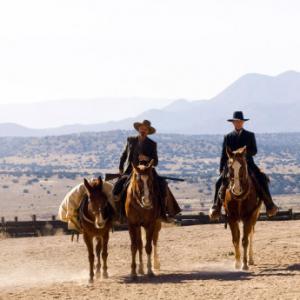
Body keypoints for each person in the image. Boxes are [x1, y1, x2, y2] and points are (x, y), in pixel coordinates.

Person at [209, 111, 278, 220]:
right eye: (236, 122)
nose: (238, 123)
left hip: (248, 164)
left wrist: (242, 153)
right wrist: (222, 168)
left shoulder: (250, 135)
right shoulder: (228, 137)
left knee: (262, 178)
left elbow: (254, 151)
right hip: (231, 165)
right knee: (219, 182)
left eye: (240, 122)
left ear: (243, 122)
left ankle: (270, 205)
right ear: (233, 123)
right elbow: (224, 153)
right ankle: (216, 207)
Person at [113, 120, 181, 219]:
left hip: (147, 171)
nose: (143, 130)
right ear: (138, 129)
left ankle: (164, 213)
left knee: (162, 185)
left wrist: (147, 158)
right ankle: (119, 214)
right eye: (141, 128)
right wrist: (120, 167)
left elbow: (156, 162)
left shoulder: (152, 144)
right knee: (117, 188)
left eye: (145, 129)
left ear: (148, 131)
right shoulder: (130, 140)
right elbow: (124, 155)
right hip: (130, 171)